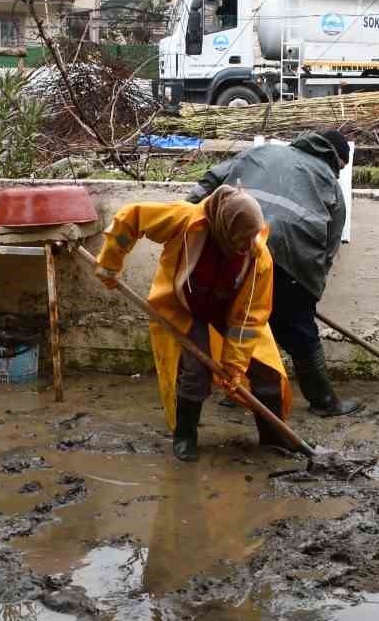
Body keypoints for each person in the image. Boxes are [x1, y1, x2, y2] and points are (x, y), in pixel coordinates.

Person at [95, 184, 292, 462]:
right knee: (196, 369)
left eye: (252, 237)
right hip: (186, 307)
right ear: (225, 226)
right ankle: (185, 436)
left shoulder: (259, 257)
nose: (248, 245)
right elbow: (132, 217)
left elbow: (249, 317)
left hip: (229, 310)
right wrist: (110, 262)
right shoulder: (185, 221)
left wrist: (234, 367)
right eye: (242, 238)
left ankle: (273, 436)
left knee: (265, 369)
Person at [187, 131, 361, 417]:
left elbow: (210, 180)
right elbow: (329, 247)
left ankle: (237, 390)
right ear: (336, 159)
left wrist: (186, 216)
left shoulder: (261, 153)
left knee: (239, 321)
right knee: (300, 332)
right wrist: (308, 292)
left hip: (232, 247)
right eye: (341, 167)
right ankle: (324, 402)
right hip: (288, 260)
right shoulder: (330, 181)